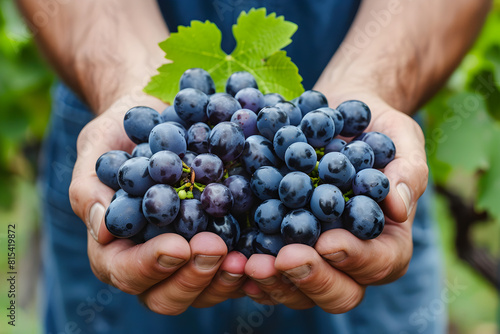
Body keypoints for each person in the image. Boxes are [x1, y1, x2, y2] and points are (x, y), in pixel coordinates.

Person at [17, 0, 490, 333]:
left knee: (357, 242)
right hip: (115, 105)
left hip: (351, 143)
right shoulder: (164, 159)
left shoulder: (352, 168)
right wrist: (122, 81)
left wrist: (379, 86)